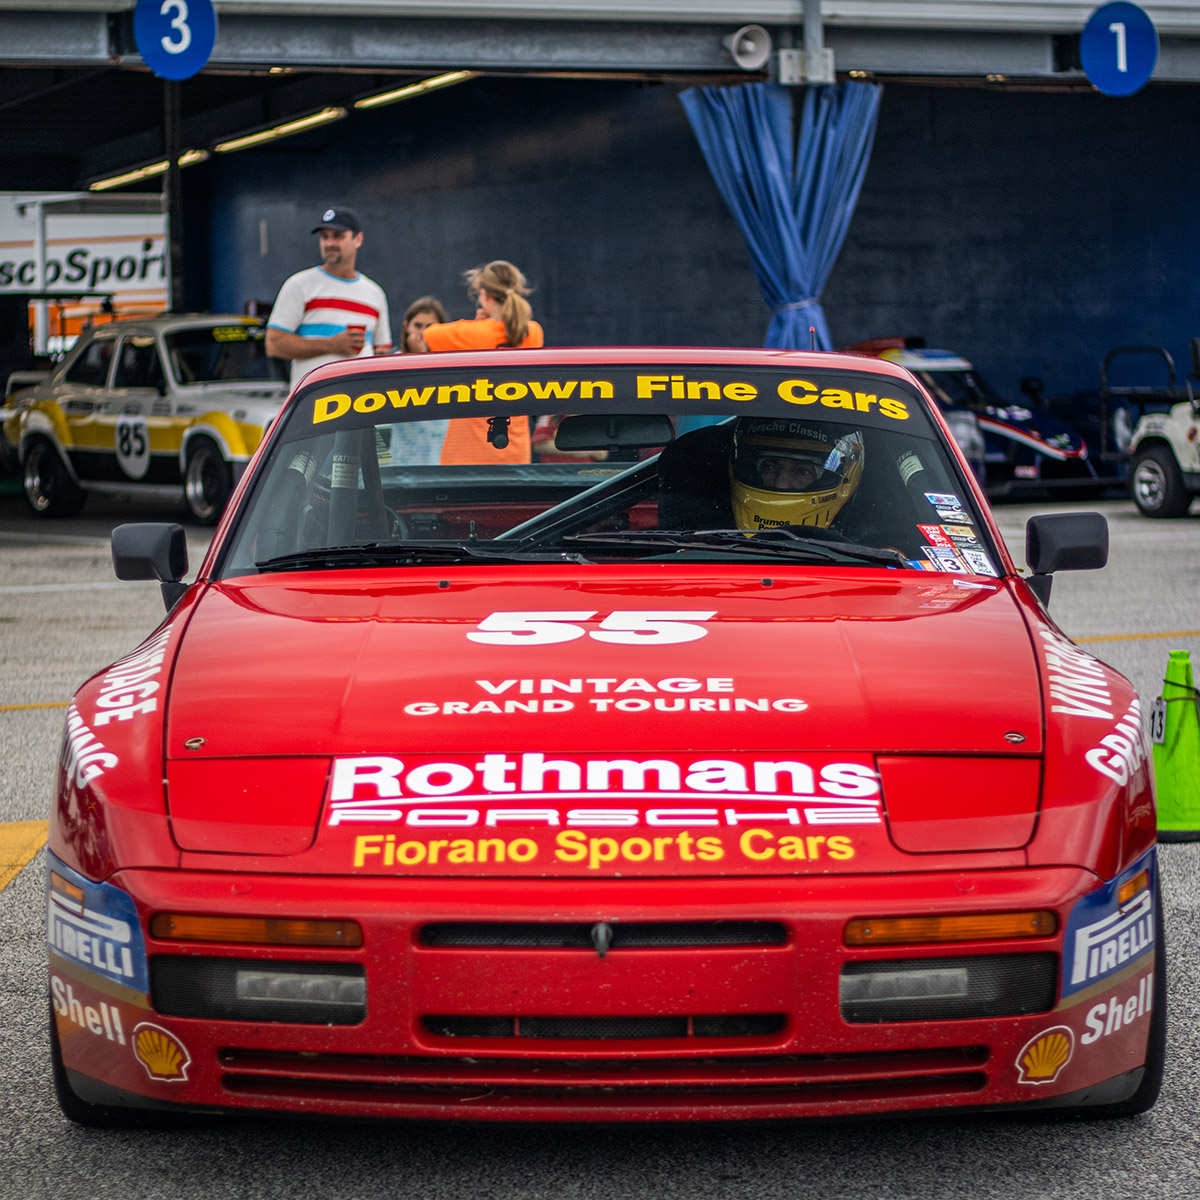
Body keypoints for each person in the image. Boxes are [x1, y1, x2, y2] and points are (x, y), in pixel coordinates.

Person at [416, 260, 543, 465]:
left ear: (484, 295)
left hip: (467, 456)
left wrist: (478, 325)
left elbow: (430, 334)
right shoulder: (533, 332)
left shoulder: (471, 333)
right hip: (515, 453)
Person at [656, 417, 864, 532]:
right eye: (770, 467)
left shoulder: (877, 555)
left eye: (802, 471)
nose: (781, 484)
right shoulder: (698, 540)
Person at [265, 206, 392, 388]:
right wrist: (331, 345)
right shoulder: (299, 284)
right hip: (313, 405)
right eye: (325, 237)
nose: (330, 243)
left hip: (361, 405)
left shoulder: (375, 293)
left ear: (358, 239)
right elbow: (274, 344)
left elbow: (382, 352)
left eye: (338, 236)